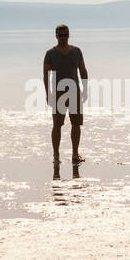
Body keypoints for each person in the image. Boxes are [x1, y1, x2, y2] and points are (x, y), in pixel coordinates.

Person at [44, 24, 88, 165]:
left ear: (68, 35)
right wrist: (48, 93)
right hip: (59, 93)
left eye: (65, 35)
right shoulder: (50, 53)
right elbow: (45, 75)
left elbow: (83, 70)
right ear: (56, 36)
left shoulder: (76, 51)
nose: (63, 37)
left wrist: (85, 88)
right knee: (57, 124)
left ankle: (75, 154)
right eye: (60, 35)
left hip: (74, 91)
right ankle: (56, 155)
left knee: (76, 124)